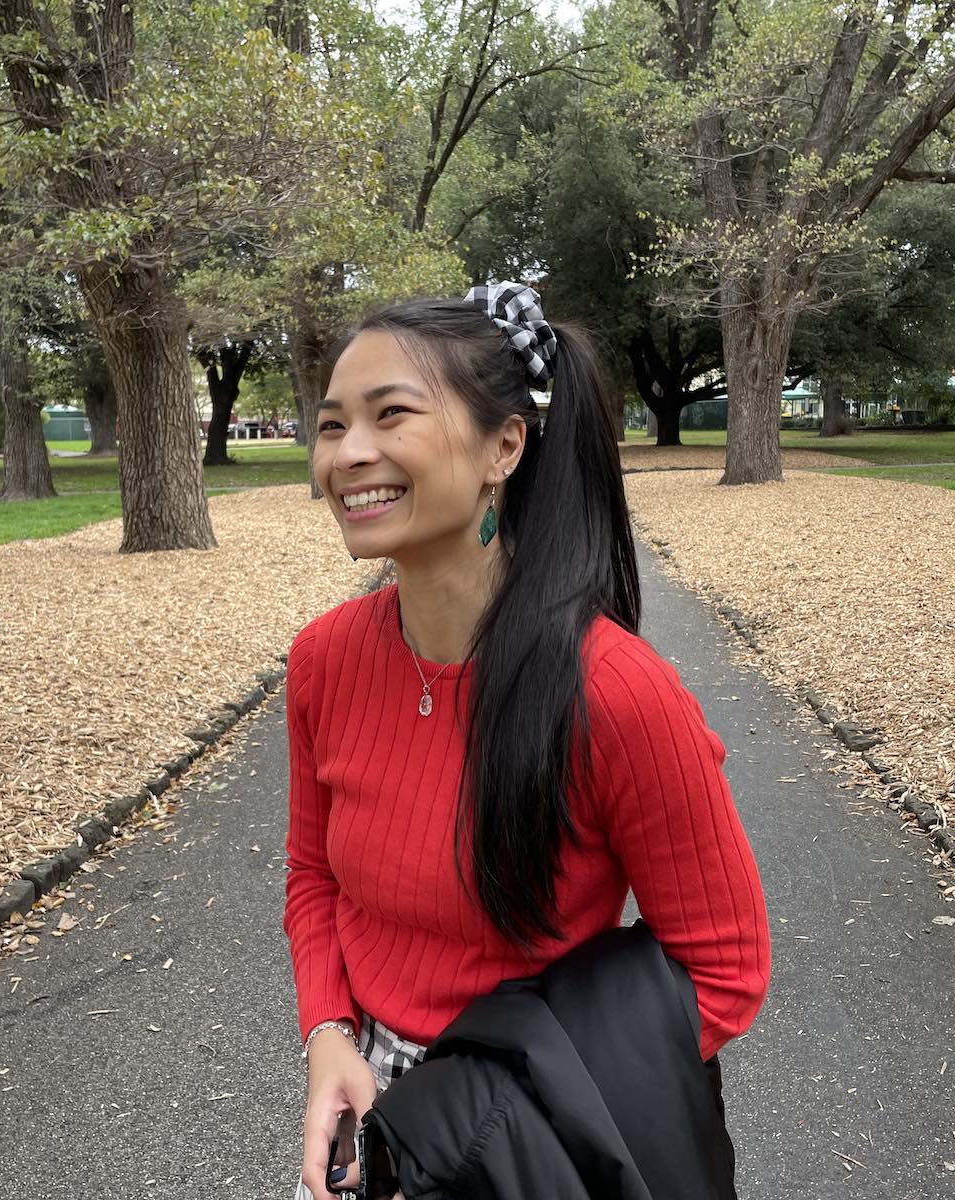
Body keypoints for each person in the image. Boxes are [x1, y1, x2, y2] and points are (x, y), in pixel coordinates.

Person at [284, 283, 770, 1199]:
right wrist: (328, 1035)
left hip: (533, 1128)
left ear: (504, 445)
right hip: (363, 1112)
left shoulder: (615, 692)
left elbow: (726, 969)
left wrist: (501, 1106)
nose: (349, 455)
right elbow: (312, 875)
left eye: (391, 415)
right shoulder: (322, 661)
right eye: (330, 425)